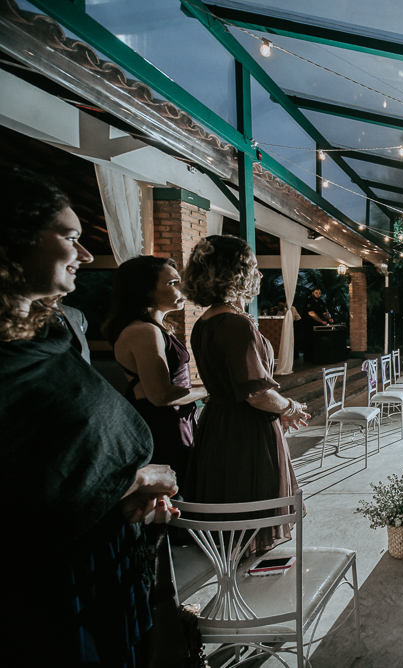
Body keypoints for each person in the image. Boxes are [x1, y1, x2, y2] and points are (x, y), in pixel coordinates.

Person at [0, 164, 179, 666]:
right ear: (14, 237)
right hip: (49, 586)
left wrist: (128, 493)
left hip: (109, 550)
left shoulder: (52, 331)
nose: (85, 254)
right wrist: (130, 479)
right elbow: (27, 487)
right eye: (71, 237)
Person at [182, 235, 309, 553]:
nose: (260, 274)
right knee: (250, 514)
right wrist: (289, 407)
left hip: (218, 425)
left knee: (230, 508)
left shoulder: (204, 322)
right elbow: (257, 394)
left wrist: (278, 408)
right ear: (236, 273)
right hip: (246, 431)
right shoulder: (236, 325)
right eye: (253, 266)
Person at [104, 255, 208, 491]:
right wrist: (209, 388)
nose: (180, 288)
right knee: (178, 494)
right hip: (163, 427)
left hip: (176, 420)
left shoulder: (156, 328)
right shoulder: (143, 331)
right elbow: (160, 395)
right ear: (145, 290)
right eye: (172, 283)